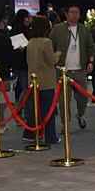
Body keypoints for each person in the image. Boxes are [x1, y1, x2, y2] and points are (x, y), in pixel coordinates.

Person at [49, 5, 95, 130]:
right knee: (63, 100)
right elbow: (50, 45)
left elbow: (91, 47)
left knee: (83, 98)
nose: (74, 15)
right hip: (62, 70)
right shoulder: (58, 29)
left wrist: (91, 61)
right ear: (66, 14)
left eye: (77, 12)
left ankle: (80, 114)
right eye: (72, 12)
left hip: (80, 70)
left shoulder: (84, 30)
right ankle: (65, 124)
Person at [22, 16, 61, 145]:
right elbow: (52, 60)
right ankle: (50, 136)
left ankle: (29, 133)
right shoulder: (46, 42)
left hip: (33, 81)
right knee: (48, 111)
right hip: (46, 81)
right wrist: (58, 54)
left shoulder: (30, 42)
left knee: (35, 110)